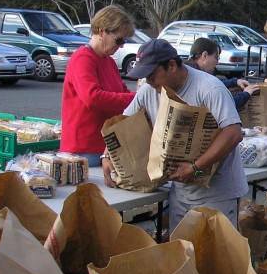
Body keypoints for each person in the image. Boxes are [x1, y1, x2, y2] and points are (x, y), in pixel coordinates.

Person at [102, 39, 248, 231]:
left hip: (218, 193)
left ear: (171, 65)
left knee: (216, 257)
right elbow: (122, 124)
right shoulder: (148, 91)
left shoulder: (210, 88)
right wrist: (107, 155)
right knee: (182, 254)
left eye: (152, 75)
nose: (149, 81)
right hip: (179, 193)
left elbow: (233, 133)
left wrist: (195, 167)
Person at [60, 5, 136, 166]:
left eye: (124, 41)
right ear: (102, 31)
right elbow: (93, 98)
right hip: (83, 150)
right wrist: (136, 97)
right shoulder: (82, 59)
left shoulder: (109, 62)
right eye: (119, 39)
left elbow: (123, 93)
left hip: (104, 147)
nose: (121, 45)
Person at [187, 37, 258, 110]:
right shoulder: (199, 79)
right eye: (216, 58)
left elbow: (216, 85)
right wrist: (246, 94)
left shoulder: (190, 72)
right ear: (204, 56)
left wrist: (235, 82)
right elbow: (225, 105)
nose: (217, 63)